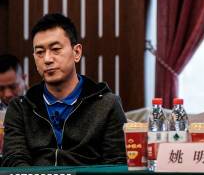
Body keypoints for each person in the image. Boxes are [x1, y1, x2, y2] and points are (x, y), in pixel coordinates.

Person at [2, 13, 127, 166]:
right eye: (40, 52)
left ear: (76, 52)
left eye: (55, 49)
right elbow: (14, 162)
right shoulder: (20, 108)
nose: (47, 59)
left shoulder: (107, 104)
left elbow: (116, 166)